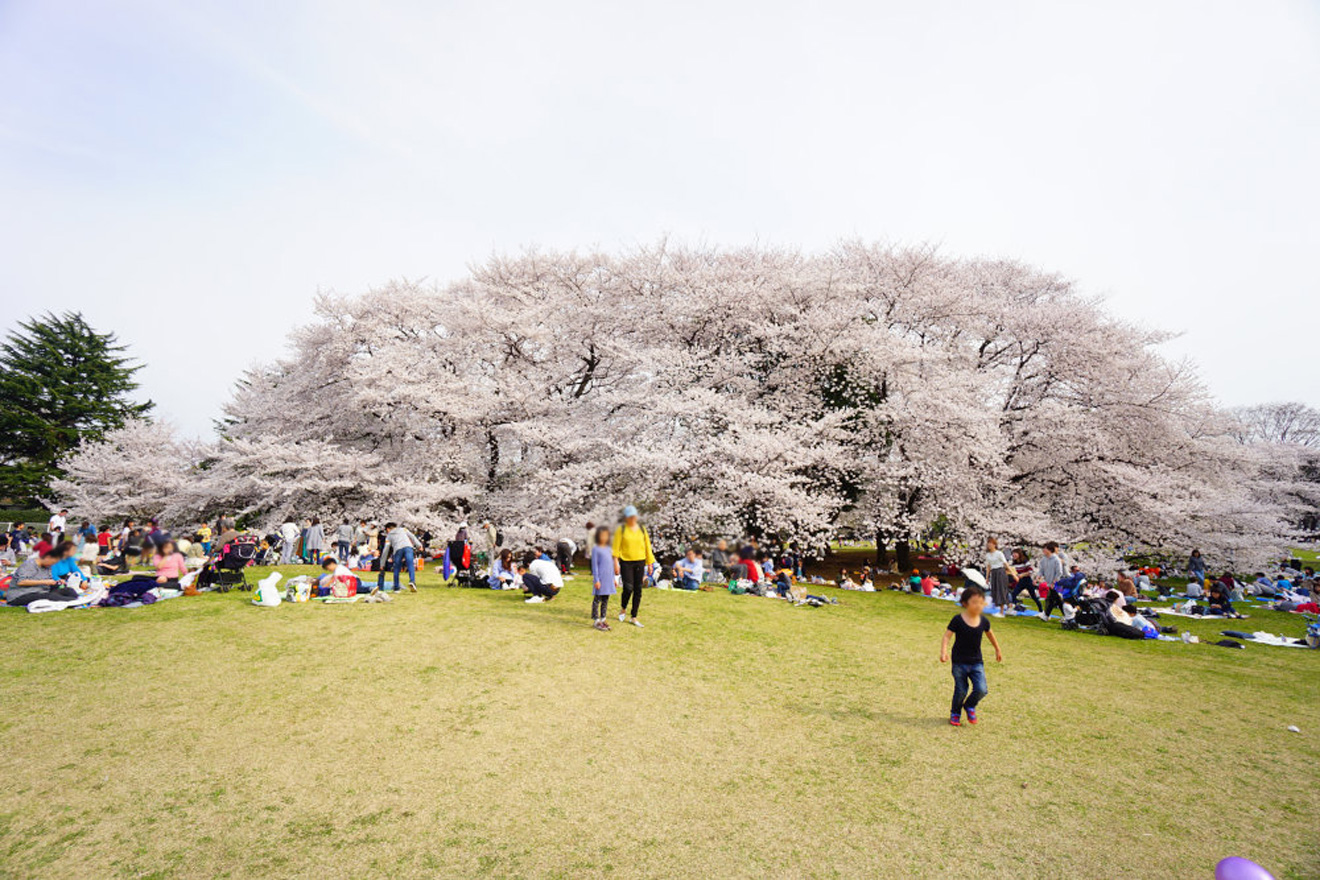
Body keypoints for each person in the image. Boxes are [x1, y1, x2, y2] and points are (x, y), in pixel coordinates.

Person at [940, 584, 1002, 727]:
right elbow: (947, 636)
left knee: (981, 689)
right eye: (974, 602)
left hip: (976, 662)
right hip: (959, 662)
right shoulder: (958, 620)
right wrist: (943, 652)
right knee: (961, 690)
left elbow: (990, 634)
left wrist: (997, 649)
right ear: (964, 603)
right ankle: (955, 713)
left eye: (980, 602)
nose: (978, 605)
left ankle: (969, 705)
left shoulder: (984, 621)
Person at [611, 505, 654, 628]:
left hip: (640, 561)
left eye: (634, 516)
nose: (632, 519)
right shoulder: (621, 529)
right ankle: (623, 608)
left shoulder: (642, 529)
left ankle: (634, 616)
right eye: (630, 517)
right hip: (626, 562)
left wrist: (650, 563)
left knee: (638, 589)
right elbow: (616, 547)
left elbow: (647, 546)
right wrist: (615, 562)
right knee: (628, 587)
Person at [6, 548, 80, 607]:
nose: (52, 565)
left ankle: (73, 600)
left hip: (41, 591)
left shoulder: (47, 567)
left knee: (68, 590)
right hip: (21, 594)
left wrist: (57, 581)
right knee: (50, 596)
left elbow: (48, 580)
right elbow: (21, 582)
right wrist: (44, 582)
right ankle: (74, 601)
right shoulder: (29, 565)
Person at [590, 526, 615, 630]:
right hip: (600, 578)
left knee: (605, 599)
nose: (604, 537)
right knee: (597, 599)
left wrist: (613, 578)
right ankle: (596, 619)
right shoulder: (596, 549)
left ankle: (603, 618)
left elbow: (611, 564)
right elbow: (594, 565)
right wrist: (596, 579)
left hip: (608, 578)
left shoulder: (609, 549)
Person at [387, 522, 423, 592]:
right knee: (410, 565)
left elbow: (386, 548)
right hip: (408, 547)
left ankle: (396, 587)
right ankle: (412, 581)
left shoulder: (389, 535)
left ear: (388, 529)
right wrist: (419, 545)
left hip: (398, 550)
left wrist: (382, 562)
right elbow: (412, 536)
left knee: (396, 568)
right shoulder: (403, 529)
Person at [984, 537, 1010, 617]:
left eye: (991, 543)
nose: (989, 545)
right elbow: (988, 567)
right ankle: (1008, 607)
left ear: (995, 545)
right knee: (995, 590)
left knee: (1001, 590)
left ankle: (1002, 612)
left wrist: (1013, 574)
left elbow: (1005, 564)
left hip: (1000, 572)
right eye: (988, 543)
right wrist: (987, 578)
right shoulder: (988, 555)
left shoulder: (999, 553)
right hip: (994, 573)